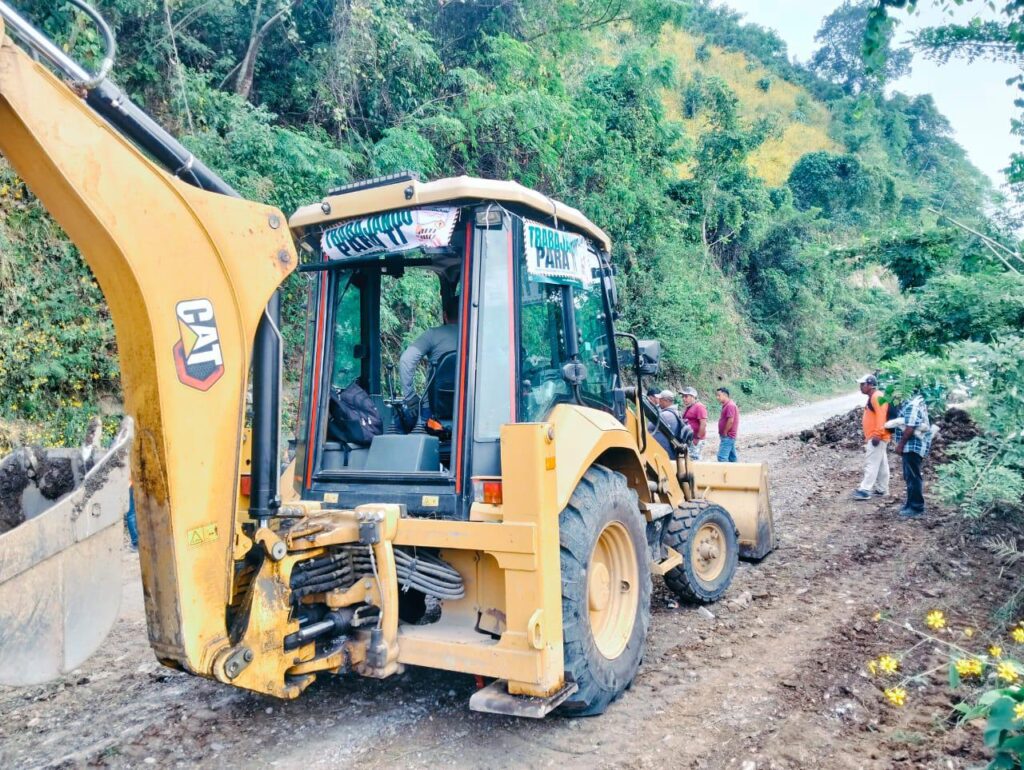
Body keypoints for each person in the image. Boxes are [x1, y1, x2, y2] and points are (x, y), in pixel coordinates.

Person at [398, 294, 459, 401]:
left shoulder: (433, 334)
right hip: (471, 406)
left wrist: (410, 397)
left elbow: (406, 360)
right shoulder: (478, 339)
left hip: (432, 406)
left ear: (445, 315)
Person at [892, 391, 932, 518]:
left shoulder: (912, 406)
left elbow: (910, 428)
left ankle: (916, 507)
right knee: (909, 476)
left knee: (913, 477)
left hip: (913, 447)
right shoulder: (913, 402)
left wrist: (900, 445)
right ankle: (910, 504)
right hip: (911, 447)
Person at [853, 374, 891, 501]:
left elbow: (881, 416)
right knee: (881, 464)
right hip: (879, 435)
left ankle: (865, 490)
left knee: (871, 463)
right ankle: (882, 488)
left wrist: (877, 434)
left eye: (862, 384)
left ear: (870, 385)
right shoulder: (875, 396)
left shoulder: (877, 397)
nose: (860, 387)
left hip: (877, 436)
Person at [649, 389, 683, 459]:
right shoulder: (676, 412)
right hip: (670, 449)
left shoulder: (665, 415)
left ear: (666, 401)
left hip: (664, 451)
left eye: (660, 400)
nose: (659, 402)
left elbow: (649, 427)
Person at [680, 386, 708, 461]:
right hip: (690, 439)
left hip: (696, 439)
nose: (684, 398)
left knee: (694, 459)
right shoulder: (689, 407)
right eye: (683, 396)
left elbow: (703, 424)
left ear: (693, 397)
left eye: (686, 396)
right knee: (690, 459)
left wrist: (697, 438)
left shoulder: (699, 407)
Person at [716, 387, 739, 462]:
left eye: (719, 395)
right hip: (729, 436)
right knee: (732, 458)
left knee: (721, 457)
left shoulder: (730, 405)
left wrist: (725, 432)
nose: (717, 397)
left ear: (725, 395)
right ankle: (737, 469)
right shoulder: (727, 405)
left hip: (728, 435)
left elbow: (730, 421)